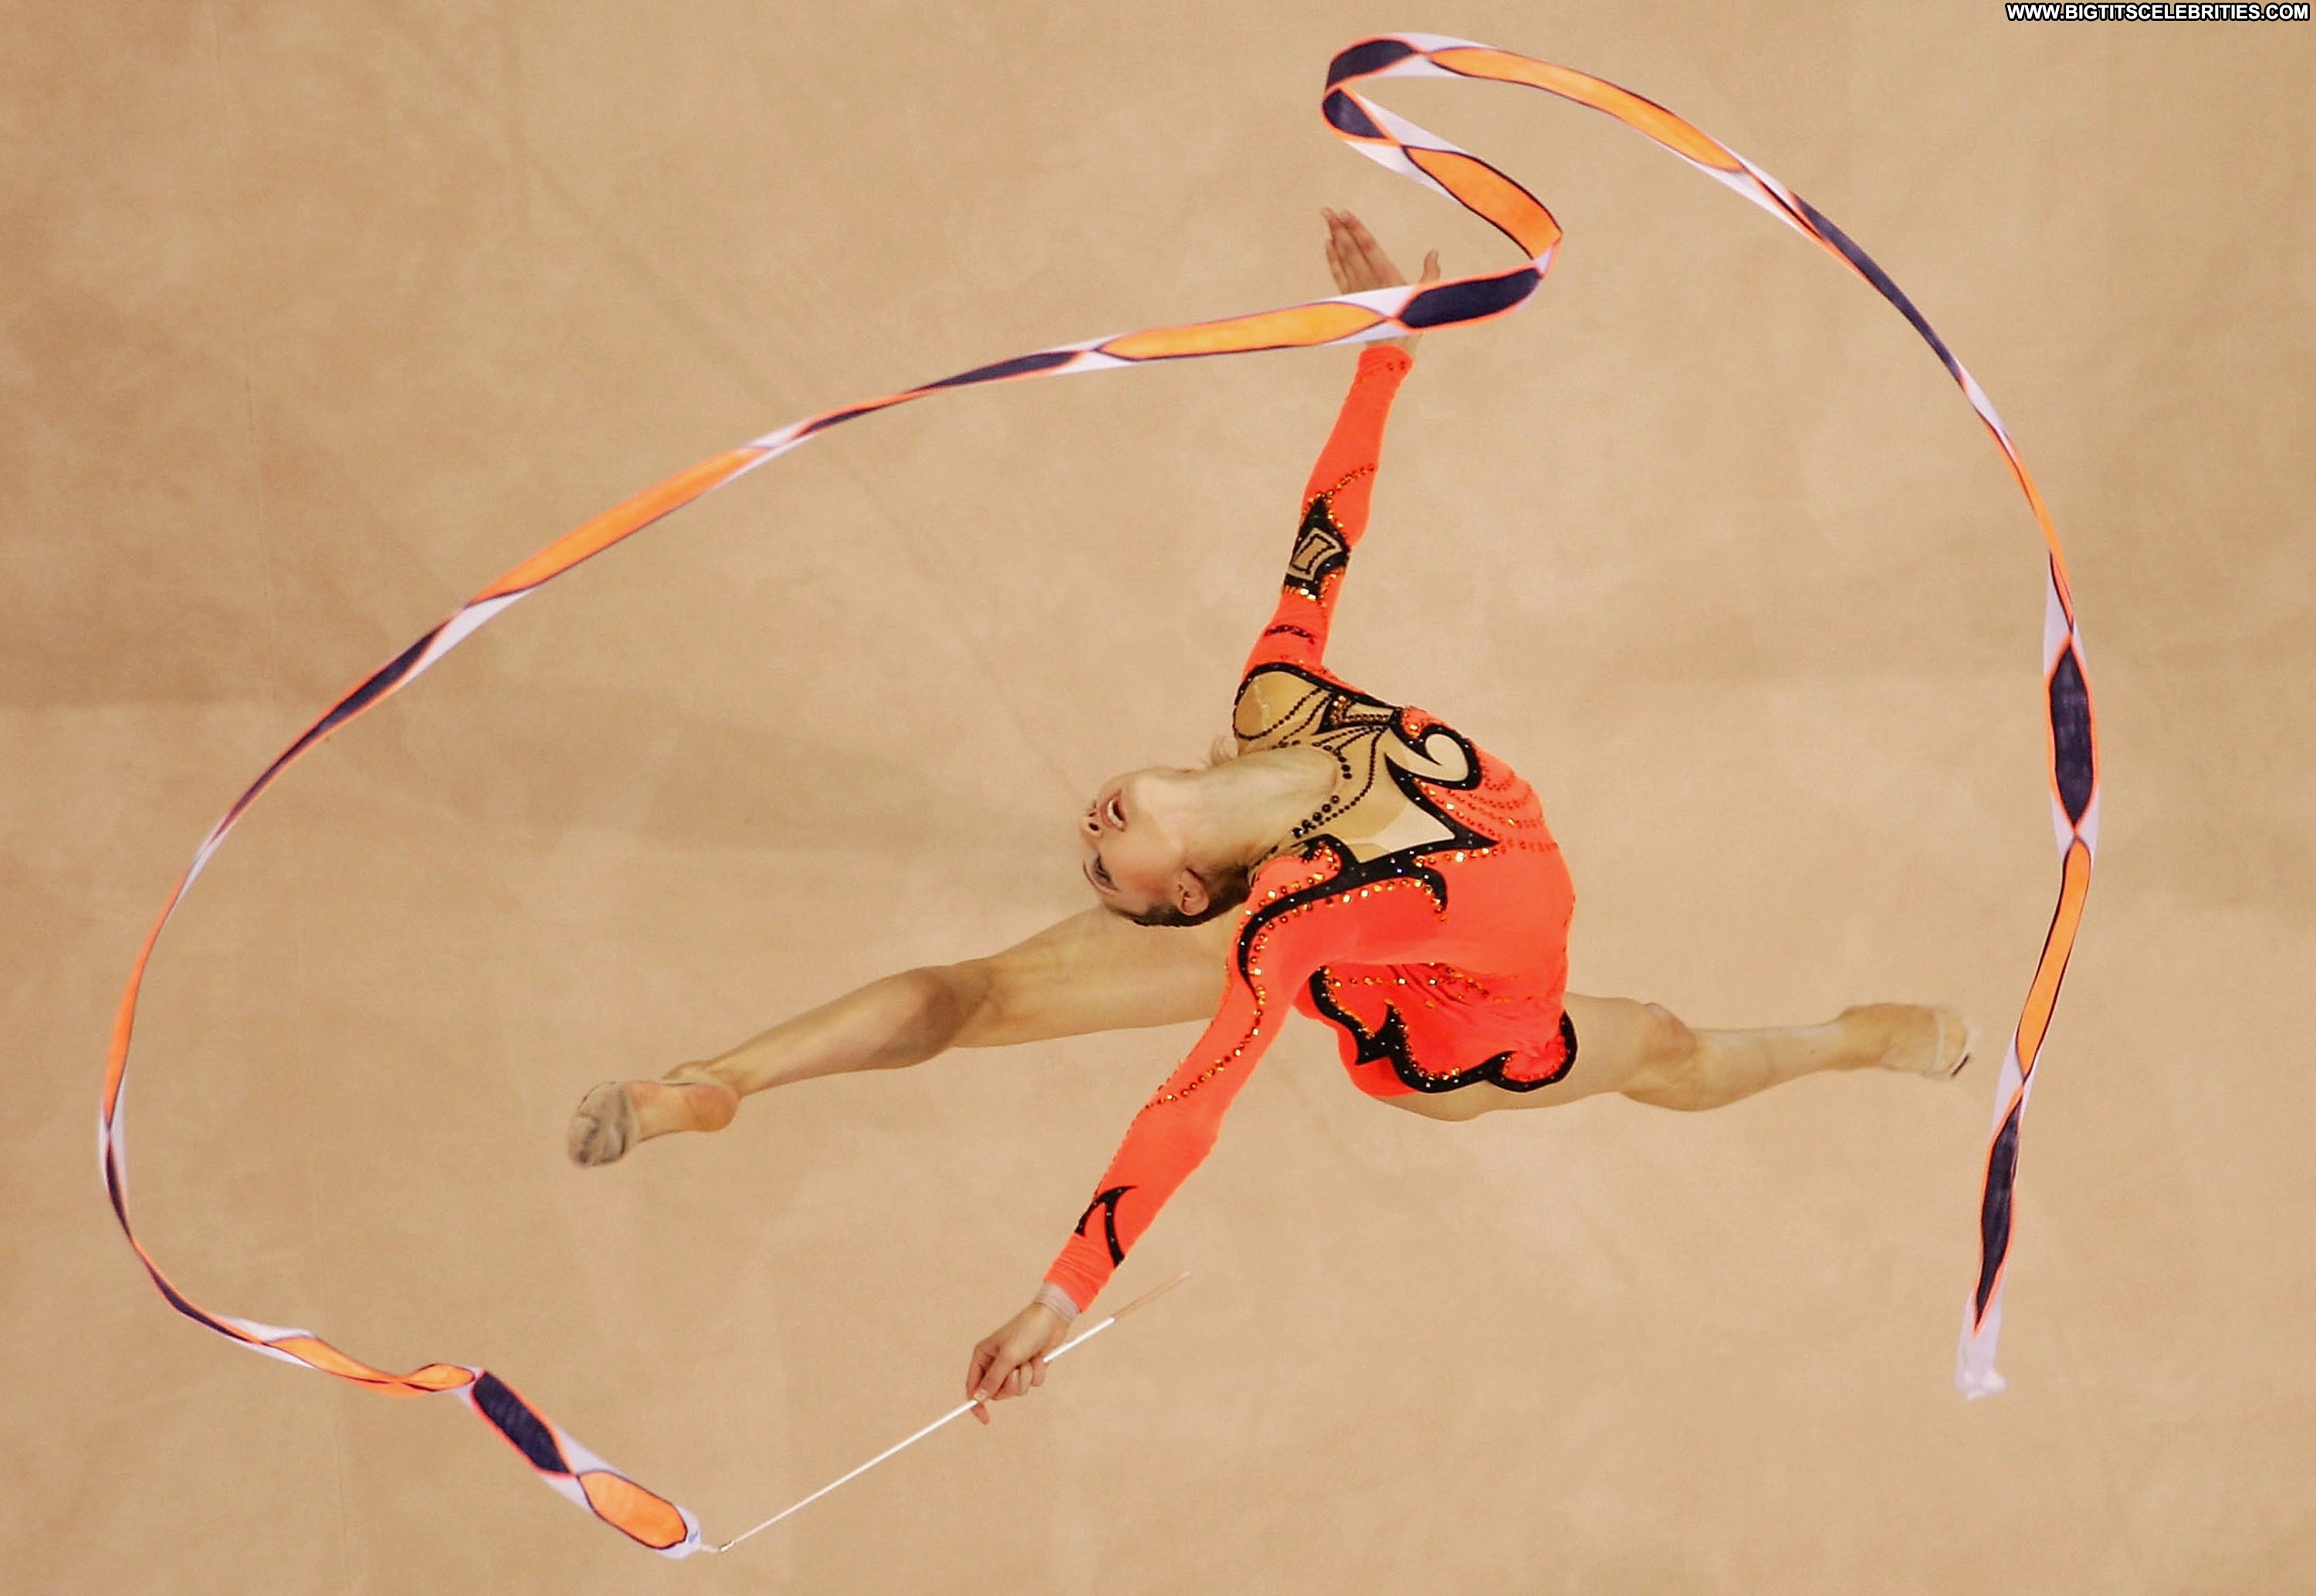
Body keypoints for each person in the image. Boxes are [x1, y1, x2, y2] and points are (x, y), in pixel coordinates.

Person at [565, 209, 1969, 1423]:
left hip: (1377, 914)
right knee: (1659, 1043)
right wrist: (1059, 1298)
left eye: (1091, 851)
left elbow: (1328, 526)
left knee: (989, 989)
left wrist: (1387, 346)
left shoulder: (1274, 700)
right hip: (1450, 1030)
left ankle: (714, 1080)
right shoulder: (1284, 922)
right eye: (1107, 867)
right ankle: (711, 1083)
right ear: (1186, 894)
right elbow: (1189, 1107)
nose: (1089, 837)